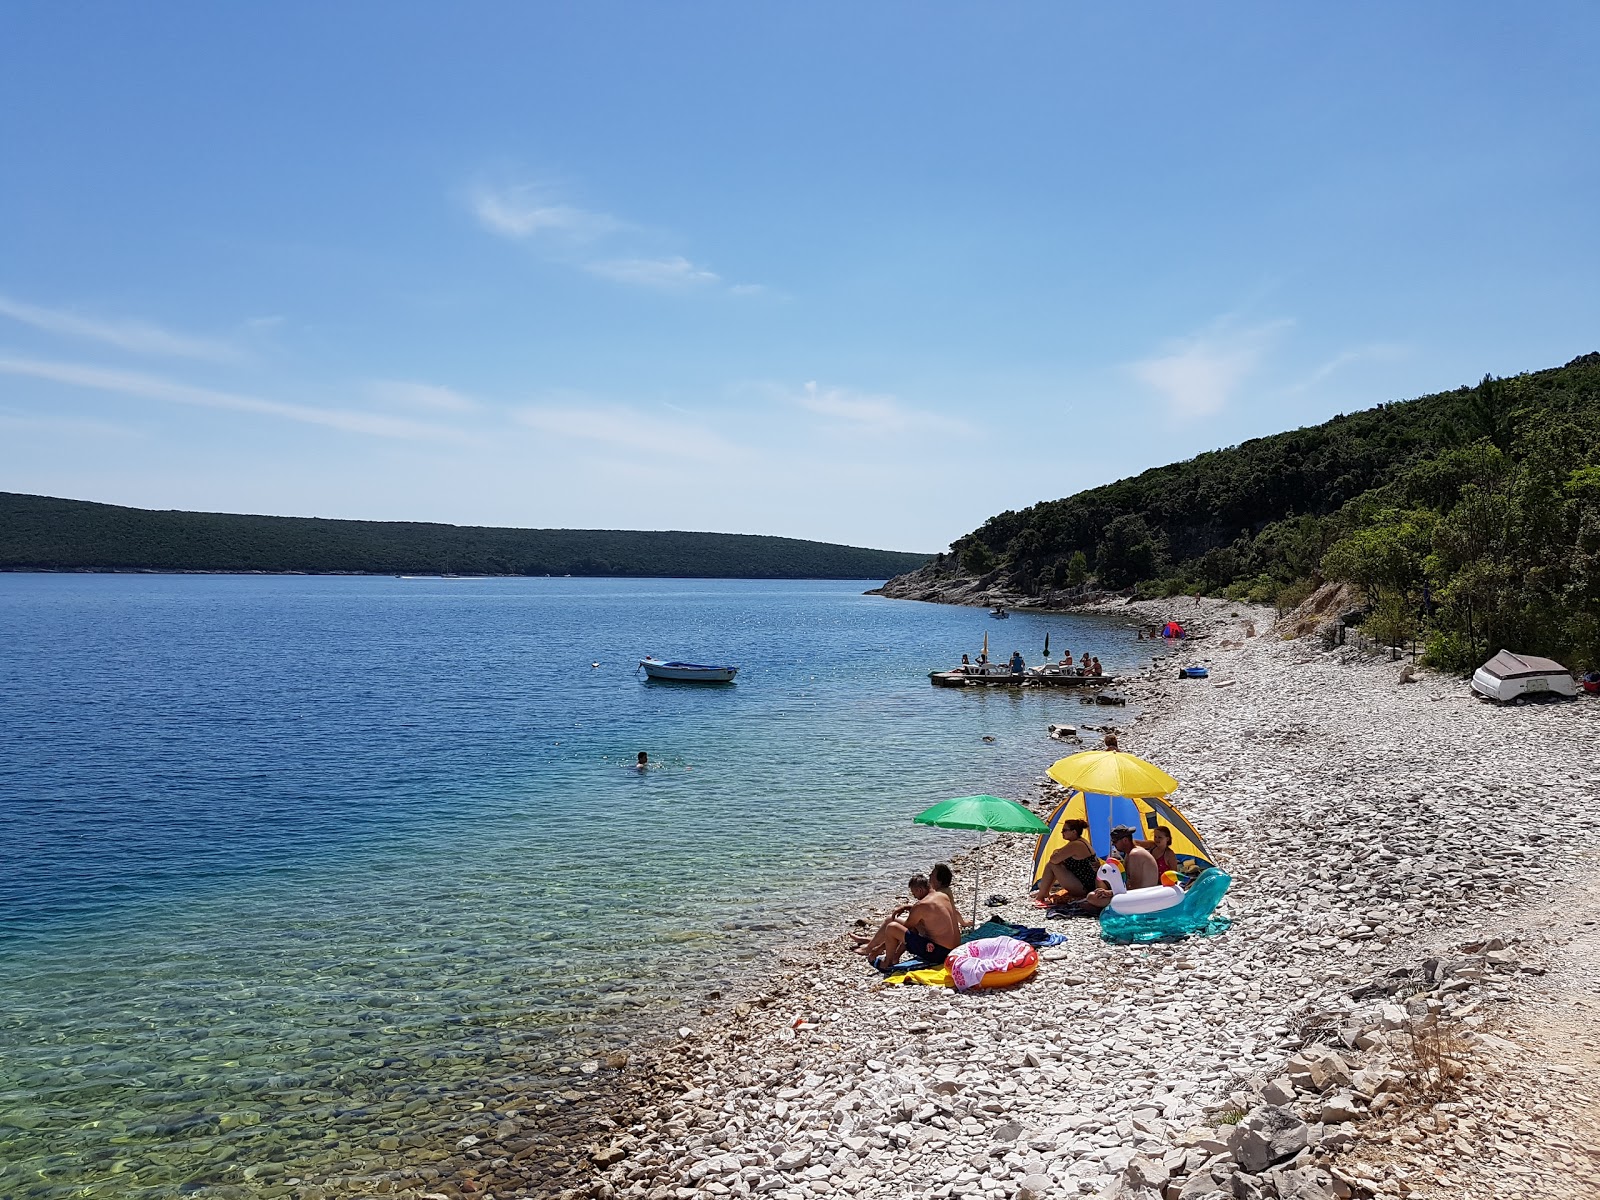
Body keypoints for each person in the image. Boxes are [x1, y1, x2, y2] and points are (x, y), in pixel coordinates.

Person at [858, 872, 962, 970]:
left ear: (920, 890)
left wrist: (880, 948)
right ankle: (895, 957)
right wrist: (906, 907)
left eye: (914, 894)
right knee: (912, 926)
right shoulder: (942, 896)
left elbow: (905, 930)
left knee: (892, 927)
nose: (915, 897)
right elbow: (933, 910)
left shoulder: (921, 905)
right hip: (954, 950)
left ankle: (887, 962)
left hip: (938, 953)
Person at [1035, 818, 1099, 902]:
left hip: (1083, 887)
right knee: (1055, 864)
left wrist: (1056, 852)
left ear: (1074, 832)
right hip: (1088, 884)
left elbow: (1054, 859)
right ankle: (1044, 893)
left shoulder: (1075, 845)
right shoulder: (1081, 842)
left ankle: (1041, 895)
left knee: (1051, 865)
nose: (1062, 832)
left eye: (1065, 830)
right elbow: (1059, 853)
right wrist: (1057, 852)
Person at [1109, 824, 1160, 889]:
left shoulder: (1135, 854)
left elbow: (1134, 886)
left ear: (1125, 840)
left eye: (1115, 841)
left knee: (1094, 897)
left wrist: (1110, 892)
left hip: (1144, 895)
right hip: (1141, 894)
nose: (1113, 844)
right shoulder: (1129, 853)